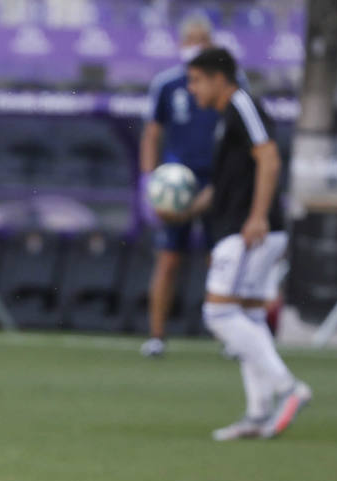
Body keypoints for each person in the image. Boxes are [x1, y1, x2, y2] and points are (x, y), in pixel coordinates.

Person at [174, 47, 310, 441]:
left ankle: (288, 389)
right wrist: (186, 210)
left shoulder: (242, 105)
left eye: (196, 79)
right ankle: (257, 412)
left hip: (249, 230)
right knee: (247, 318)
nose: (191, 88)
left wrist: (258, 215)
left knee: (219, 315)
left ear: (220, 78)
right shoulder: (226, 120)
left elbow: (269, 158)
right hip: (243, 226)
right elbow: (227, 184)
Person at [138, 15, 221, 358]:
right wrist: (149, 179)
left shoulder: (226, 83)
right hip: (176, 182)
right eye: (190, 40)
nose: (195, 47)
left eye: (202, 40)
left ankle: (227, 337)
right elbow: (152, 132)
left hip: (215, 181)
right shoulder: (168, 83)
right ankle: (157, 336)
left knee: (219, 262)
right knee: (169, 260)